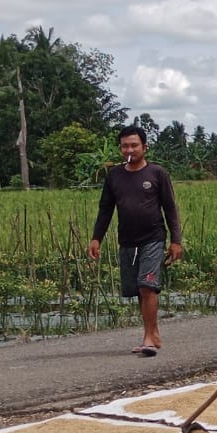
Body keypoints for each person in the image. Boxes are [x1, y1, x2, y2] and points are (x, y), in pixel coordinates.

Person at [88, 125, 183, 357]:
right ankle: (152, 333)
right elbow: (105, 209)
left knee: (147, 285)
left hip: (153, 238)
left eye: (134, 145)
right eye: (125, 146)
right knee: (139, 290)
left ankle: (149, 339)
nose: (129, 150)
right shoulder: (114, 176)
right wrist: (96, 238)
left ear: (144, 147)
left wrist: (176, 240)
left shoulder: (157, 173)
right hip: (128, 241)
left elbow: (170, 209)